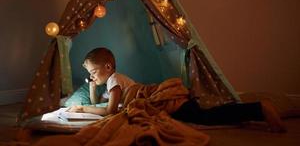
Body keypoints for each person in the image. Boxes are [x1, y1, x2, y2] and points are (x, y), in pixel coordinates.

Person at [69, 47, 286, 132]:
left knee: (206, 118)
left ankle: (259, 109)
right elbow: (95, 99)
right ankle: (253, 112)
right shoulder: (109, 82)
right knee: (204, 115)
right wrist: (91, 84)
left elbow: (109, 111)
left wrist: (82, 110)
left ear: (108, 67)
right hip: (163, 99)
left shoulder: (114, 79)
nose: (92, 77)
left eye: (94, 72)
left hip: (164, 99)